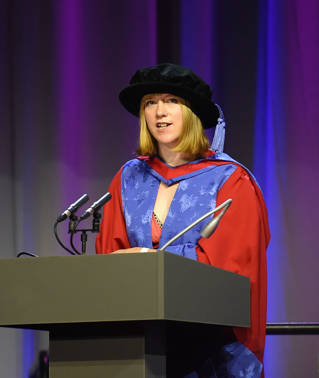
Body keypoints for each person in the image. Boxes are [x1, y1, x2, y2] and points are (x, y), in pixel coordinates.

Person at [96, 63, 270, 377]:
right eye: (150, 103)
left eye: (171, 101)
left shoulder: (230, 180)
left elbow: (232, 272)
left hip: (210, 347)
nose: (159, 112)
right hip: (140, 342)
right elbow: (111, 257)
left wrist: (147, 258)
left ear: (191, 113)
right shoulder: (128, 178)